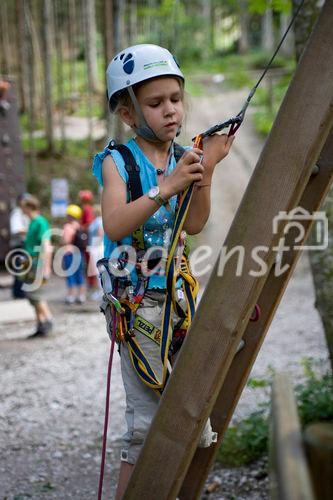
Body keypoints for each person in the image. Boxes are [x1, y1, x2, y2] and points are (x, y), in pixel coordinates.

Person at [92, 44, 234, 498]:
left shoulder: (180, 157)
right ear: (128, 113)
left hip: (176, 295)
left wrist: (204, 169)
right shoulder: (119, 161)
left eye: (175, 98)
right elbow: (114, 223)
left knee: (192, 398)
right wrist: (167, 186)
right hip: (137, 306)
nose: (170, 110)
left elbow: (193, 223)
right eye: (155, 103)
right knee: (144, 422)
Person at [21, 195, 53, 338]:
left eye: (23, 206)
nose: (21, 209)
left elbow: (46, 245)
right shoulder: (32, 222)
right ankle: (40, 323)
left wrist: (45, 267)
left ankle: (48, 320)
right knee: (31, 296)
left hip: (37, 264)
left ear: (29, 206)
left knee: (36, 294)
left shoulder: (40, 222)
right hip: (29, 263)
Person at [61, 204, 86, 304]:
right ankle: (81, 295)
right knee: (80, 273)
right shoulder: (79, 226)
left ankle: (71, 295)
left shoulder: (67, 226)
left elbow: (65, 240)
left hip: (69, 252)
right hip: (79, 252)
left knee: (70, 274)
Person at [9, 193, 30, 298]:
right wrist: (31, 232)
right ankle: (19, 293)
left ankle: (22, 292)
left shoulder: (25, 213)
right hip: (19, 246)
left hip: (24, 245)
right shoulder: (17, 213)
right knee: (19, 270)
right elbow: (16, 229)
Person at [78, 189, 96, 291]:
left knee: (89, 261)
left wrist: (80, 228)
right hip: (88, 238)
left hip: (86, 239)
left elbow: (88, 223)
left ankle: (91, 283)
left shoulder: (86, 209)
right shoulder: (88, 208)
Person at [87, 204, 104, 301]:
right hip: (95, 247)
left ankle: (101, 290)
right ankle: (99, 290)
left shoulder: (99, 221)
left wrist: (95, 246)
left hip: (97, 247)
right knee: (96, 270)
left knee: (99, 270)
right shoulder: (96, 221)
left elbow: (100, 234)